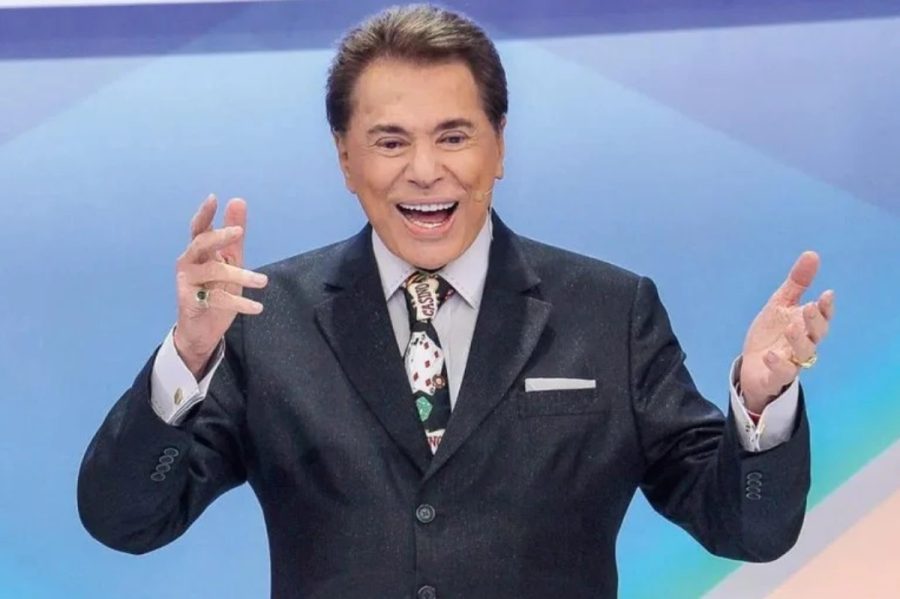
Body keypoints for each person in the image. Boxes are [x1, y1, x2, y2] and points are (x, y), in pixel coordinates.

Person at [77, 5, 834, 598]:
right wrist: (189, 354)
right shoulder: (265, 320)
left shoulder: (611, 311)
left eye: (453, 136)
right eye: (391, 141)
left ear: (499, 145)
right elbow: (126, 521)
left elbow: (746, 528)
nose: (425, 170)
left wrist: (761, 404)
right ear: (345, 157)